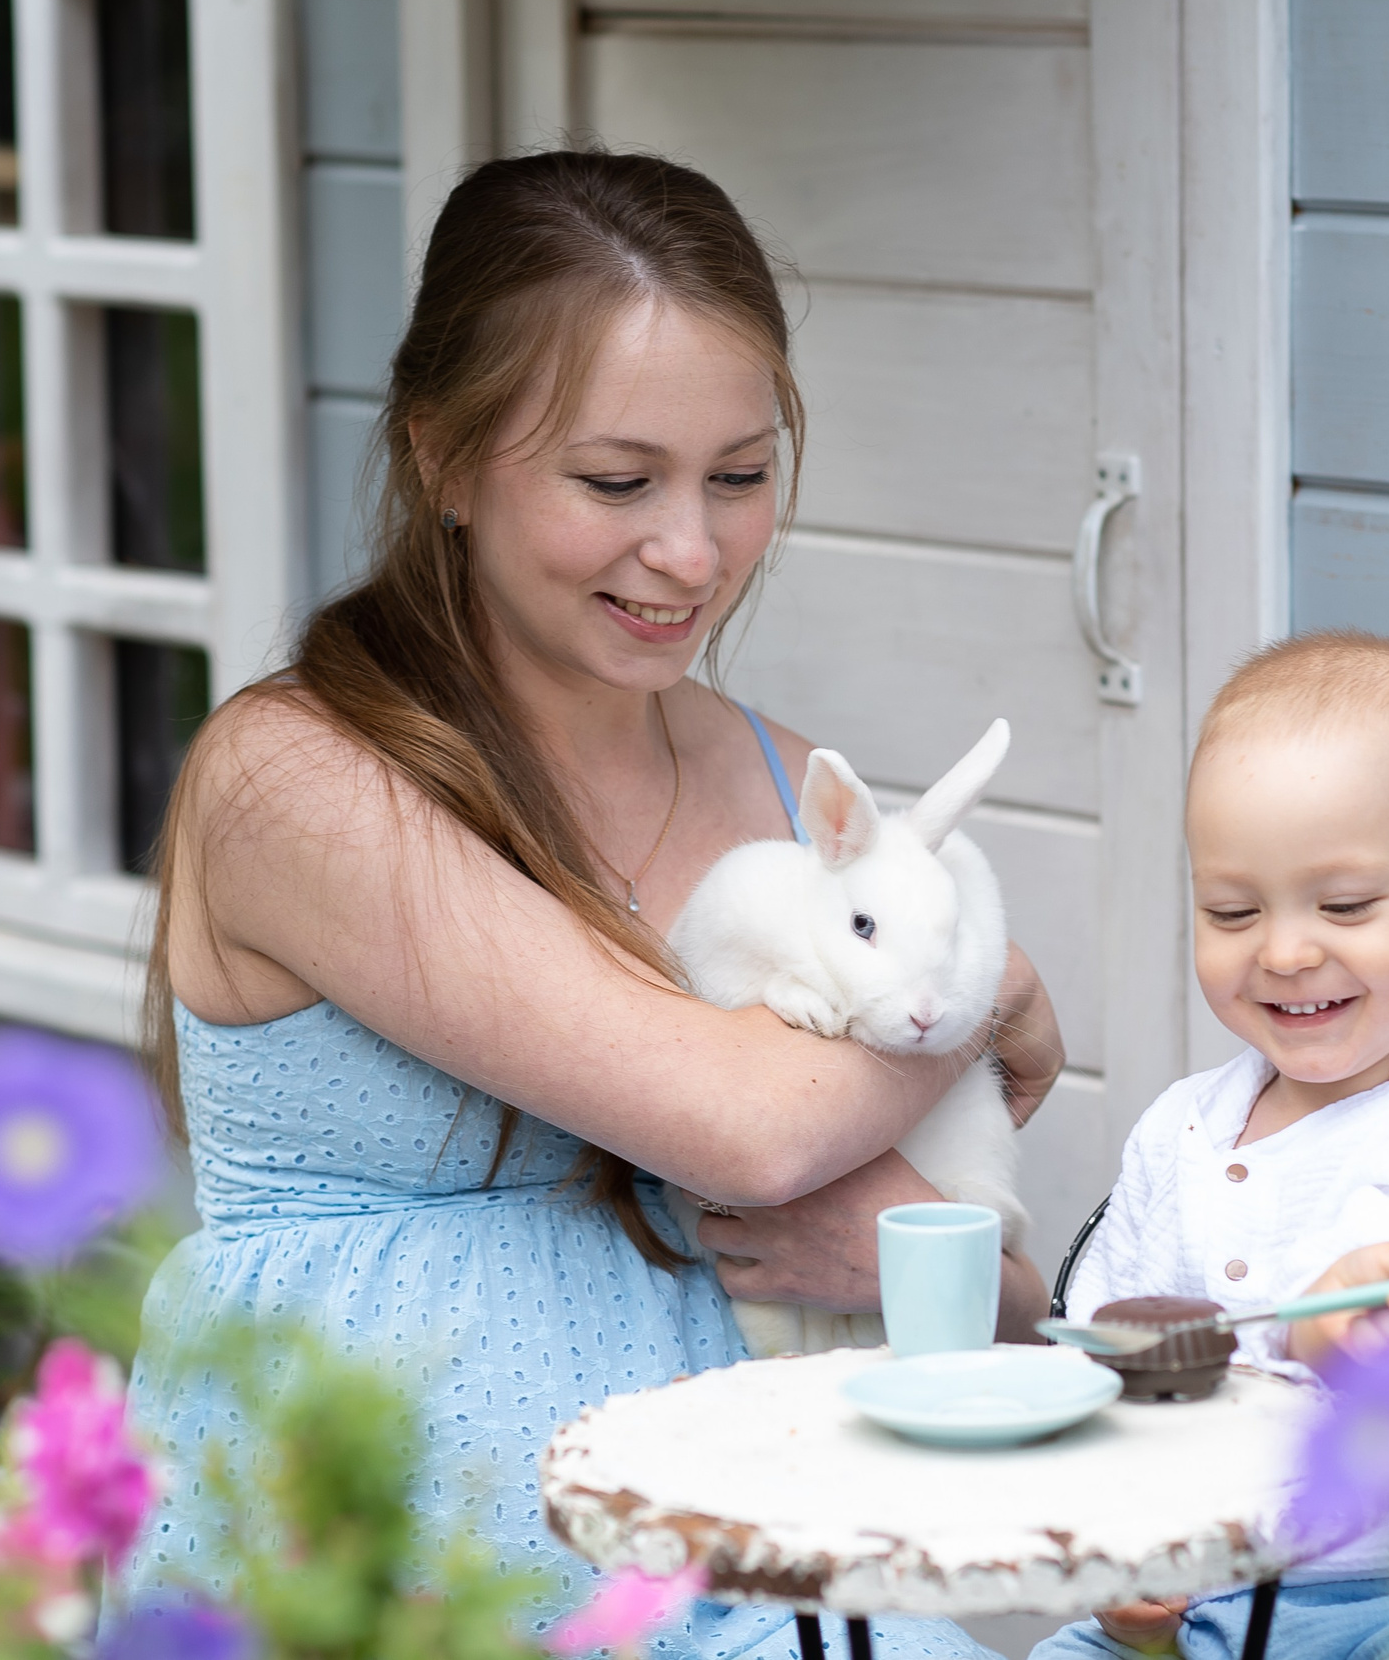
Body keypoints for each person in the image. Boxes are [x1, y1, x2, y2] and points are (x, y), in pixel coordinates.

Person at [114, 150, 1062, 1659]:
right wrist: (986, 989)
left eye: (738, 475)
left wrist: (922, 1252)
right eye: (618, 481)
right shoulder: (299, 777)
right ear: (442, 456)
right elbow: (752, 1127)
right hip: (365, 1559)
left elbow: (949, 1253)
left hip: (735, 1570)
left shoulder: (781, 783)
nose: (691, 552)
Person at [1036, 632, 1389, 1660]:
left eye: (1344, 905)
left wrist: (1349, 1328)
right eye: (1232, 910)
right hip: (1199, 1599)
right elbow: (1102, 1358)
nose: (1286, 950)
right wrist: (1117, 1555)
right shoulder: (1180, 1130)